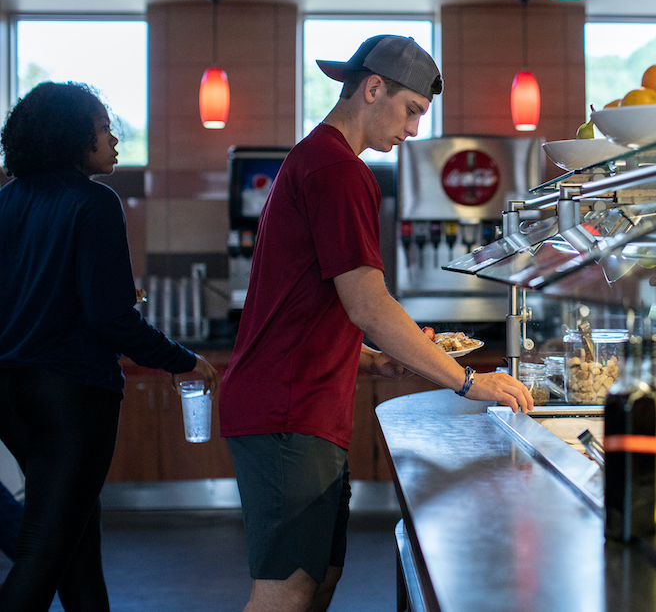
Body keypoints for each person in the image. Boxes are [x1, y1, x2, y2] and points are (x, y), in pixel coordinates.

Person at [219, 35, 533, 612]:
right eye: (411, 110)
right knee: (286, 590)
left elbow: (307, 304)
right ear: (372, 89)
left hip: (296, 403)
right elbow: (367, 303)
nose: (414, 130)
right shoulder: (339, 171)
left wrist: (371, 358)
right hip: (289, 410)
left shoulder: (313, 160)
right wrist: (467, 382)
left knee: (321, 577)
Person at [0, 81, 220, 611]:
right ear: (73, 136)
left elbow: (42, 295)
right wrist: (184, 360)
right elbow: (110, 319)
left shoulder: (7, 201)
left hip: (10, 393)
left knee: (75, 541)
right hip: (71, 396)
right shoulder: (94, 202)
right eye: (103, 127)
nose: (114, 137)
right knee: (42, 553)